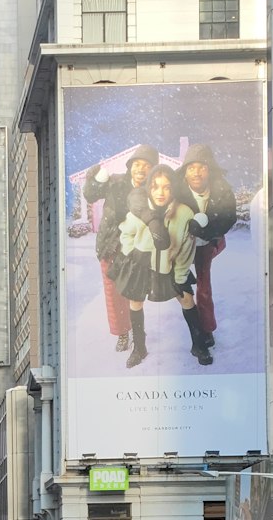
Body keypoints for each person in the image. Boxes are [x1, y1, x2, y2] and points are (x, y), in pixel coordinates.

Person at [114, 163, 206, 369]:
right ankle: (139, 347)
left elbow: (186, 248)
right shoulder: (141, 210)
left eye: (166, 187)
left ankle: (198, 345)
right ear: (149, 188)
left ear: (173, 188)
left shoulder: (184, 213)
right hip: (141, 265)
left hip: (170, 265)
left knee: (187, 299)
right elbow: (125, 233)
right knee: (135, 302)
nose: (160, 192)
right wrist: (133, 252)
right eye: (155, 186)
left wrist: (180, 274)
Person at [81, 145, 159, 354]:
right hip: (110, 246)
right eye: (137, 164)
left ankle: (136, 330)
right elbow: (91, 195)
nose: (141, 169)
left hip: (136, 248)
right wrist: (93, 180)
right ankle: (122, 333)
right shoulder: (115, 182)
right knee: (112, 292)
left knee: (134, 291)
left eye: (147, 165)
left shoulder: (154, 190)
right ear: (130, 166)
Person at [175, 143, 237, 341]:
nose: (197, 172)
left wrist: (207, 231)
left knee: (204, 287)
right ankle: (192, 322)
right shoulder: (176, 190)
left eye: (202, 167)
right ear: (185, 172)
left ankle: (207, 329)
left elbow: (228, 218)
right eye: (191, 167)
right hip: (180, 246)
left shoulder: (221, 190)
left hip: (205, 245)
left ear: (210, 171)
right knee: (180, 285)